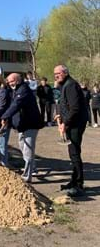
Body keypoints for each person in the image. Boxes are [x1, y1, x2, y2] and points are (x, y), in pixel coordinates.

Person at [1, 73, 43, 183]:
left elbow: (16, 104)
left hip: (30, 124)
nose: (9, 84)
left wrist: (5, 116)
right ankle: (32, 168)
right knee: (22, 145)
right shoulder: (16, 90)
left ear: (17, 80)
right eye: (8, 82)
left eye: (11, 82)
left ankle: (27, 176)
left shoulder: (23, 90)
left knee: (28, 149)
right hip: (22, 125)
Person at [54, 65, 88, 197]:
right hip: (71, 123)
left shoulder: (71, 85)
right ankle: (74, 181)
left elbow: (75, 108)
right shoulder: (65, 85)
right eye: (55, 74)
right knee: (72, 153)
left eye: (58, 73)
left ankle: (79, 184)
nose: (56, 76)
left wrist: (65, 123)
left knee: (74, 153)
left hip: (76, 124)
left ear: (65, 73)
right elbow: (65, 105)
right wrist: (60, 115)